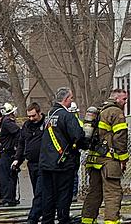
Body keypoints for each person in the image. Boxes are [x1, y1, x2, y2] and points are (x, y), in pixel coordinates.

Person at [80, 88, 129, 224]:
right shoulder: (116, 112)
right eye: (124, 99)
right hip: (109, 161)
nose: (125, 102)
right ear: (116, 98)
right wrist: (123, 158)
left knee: (94, 192)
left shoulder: (99, 110)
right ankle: (111, 221)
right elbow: (120, 138)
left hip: (93, 159)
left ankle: (87, 220)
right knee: (113, 193)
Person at [39, 87, 87, 224]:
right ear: (66, 99)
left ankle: (47, 220)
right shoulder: (67, 116)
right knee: (63, 194)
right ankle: (63, 219)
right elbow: (77, 136)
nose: (72, 100)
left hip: (47, 162)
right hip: (63, 163)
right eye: (71, 98)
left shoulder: (49, 115)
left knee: (48, 195)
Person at [13, 102, 45, 224]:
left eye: (33, 116)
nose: (31, 119)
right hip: (31, 164)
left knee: (40, 192)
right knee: (37, 190)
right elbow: (21, 144)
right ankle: (42, 212)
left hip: (44, 163)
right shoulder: (27, 126)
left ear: (39, 112)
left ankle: (33, 218)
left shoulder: (47, 124)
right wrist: (17, 159)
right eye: (29, 116)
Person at [0, 104, 21, 206]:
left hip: (8, 153)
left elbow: (18, 133)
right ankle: (7, 198)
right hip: (5, 153)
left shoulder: (7, 122)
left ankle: (9, 198)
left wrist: (16, 147)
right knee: (6, 177)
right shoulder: (2, 124)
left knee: (7, 177)